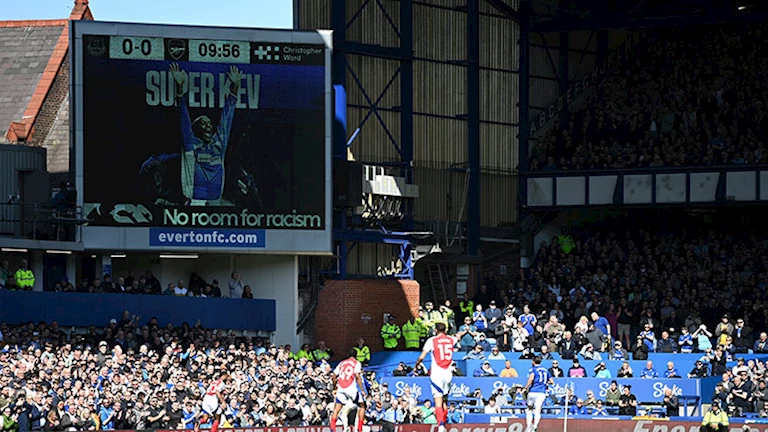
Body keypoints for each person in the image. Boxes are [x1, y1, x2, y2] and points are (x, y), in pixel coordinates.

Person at [169, 62, 240, 206]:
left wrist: (235, 86)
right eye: (203, 123)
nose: (209, 125)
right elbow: (184, 119)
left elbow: (227, 118)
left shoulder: (219, 144)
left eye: (209, 123)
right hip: (195, 204)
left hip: (216, 203)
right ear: (195, 130)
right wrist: (180, 89)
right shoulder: (191, 144)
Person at [414, 323, 456, 432]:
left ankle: (441, 425)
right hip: (448, 373)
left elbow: (422, 357)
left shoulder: (432, 340)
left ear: (436, 330)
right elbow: (458, 337)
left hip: (437, 373)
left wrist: (416, 365)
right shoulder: (451, 339)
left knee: (438, 401)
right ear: (445, 330)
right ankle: (444, 422)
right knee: (445, 400)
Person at [330, 349, 367, 432]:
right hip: (351, 388)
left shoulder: (341, 363)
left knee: (337, 408)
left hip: (341, 387)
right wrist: (362, 389)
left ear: (347, 355)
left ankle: (332, 429)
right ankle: (360, 428)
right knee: (362, 406)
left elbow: (333, 376)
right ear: (356, 355)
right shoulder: (356, 363)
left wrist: (335, 386)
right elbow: (357, 375)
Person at [524, 355, 553, 432]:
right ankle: (535, 426)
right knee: (537, 410)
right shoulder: (545, 370)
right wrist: (544, 382)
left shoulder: (533, 369)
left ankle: (529, 426)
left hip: (533, 391)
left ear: (533, 362)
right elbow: (552, 382)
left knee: (529, 409)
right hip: (542, 393)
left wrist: (526, 387)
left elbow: (531, 378)